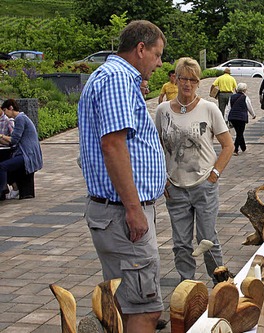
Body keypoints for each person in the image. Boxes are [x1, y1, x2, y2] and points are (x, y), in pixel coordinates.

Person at [77, 20, 166, 333]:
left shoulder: (115, 77)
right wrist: (133, 208)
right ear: (140, 49)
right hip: (122, 214)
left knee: (123, 303)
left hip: (117, 212)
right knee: (144, 309)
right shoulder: (116, 78)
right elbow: (113, 146)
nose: (158, 63)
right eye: (157, 55)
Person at [155, 57, 234, 284]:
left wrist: (214, 175)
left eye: (193, 80)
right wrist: (164, 179)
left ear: (198, 82)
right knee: (180, 243)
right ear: (175, 80)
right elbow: (156, 147)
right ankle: (187, 286)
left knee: (208, 238)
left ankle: (221, 285)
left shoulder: (208, 109)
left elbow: (228, 145)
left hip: (203, 185)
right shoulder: (163, 111)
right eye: (183, 79)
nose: (187, 84)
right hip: (175, 188)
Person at [0, 99, 42, 200]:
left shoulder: (20, 119)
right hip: (25, 153)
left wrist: (1, 136)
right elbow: (11, 141)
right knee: (5, 162)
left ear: (11, 108)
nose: (5, 114)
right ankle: (11, 189)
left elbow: (14, 139)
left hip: (28, 155)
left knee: (2, 166)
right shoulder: (21, 118)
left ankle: (3, 190)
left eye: (5, 111)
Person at [226, 82, 256, 155]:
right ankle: (235, 149)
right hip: (241, 117)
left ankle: (243, 147)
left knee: (239, 132)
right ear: (245, 90)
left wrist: (226, 118)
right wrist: (253, 115)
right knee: (240, 133)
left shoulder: (232, 97)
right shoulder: (245, 97)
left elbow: (228, 108)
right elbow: (249, 107)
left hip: (233, 117)